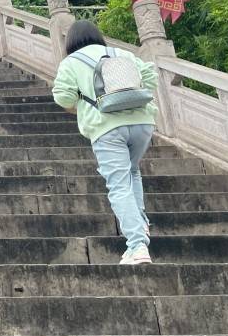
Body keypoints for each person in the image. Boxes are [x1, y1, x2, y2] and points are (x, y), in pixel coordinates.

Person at [52, 20, 159, 266]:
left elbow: (63, 97)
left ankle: (137, 246)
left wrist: (80, 99)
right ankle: (140, 226)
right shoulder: (120, 53)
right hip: (142, 121)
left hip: (107, 128)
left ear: (70, 41)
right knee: (132, 172)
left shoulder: (71, 62)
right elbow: (151, 78)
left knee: (119, 185)